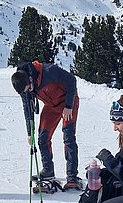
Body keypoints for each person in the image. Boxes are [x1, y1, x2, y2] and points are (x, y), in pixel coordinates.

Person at [11, 61, 81, 190]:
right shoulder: (24, 87)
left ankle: (72, 176)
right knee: (43, 137)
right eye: (26, 92)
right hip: (51, 106)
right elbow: (28, 109)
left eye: (29, 89)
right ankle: (48, 170)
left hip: (68, 102)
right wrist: (29, 132)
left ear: (30, 79)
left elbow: (72, 80)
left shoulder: (49, 72)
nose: (29, 92)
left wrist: (68, 106)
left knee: (68, 136)